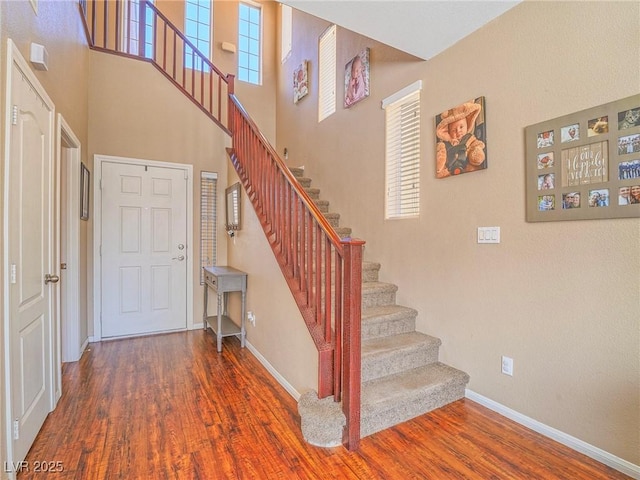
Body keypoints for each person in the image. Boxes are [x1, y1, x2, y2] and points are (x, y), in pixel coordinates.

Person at [436, 102, 486, 178]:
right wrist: (440, 163)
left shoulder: (469, 138)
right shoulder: (445, 143)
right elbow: (441, 153)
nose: (458, 131)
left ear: (467, 125)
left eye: (461, 127)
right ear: (448, 132)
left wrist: (476, 150)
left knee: (473, 169)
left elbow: (476, 144)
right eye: (453, 130)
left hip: (466, 165)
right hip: (449, 169)